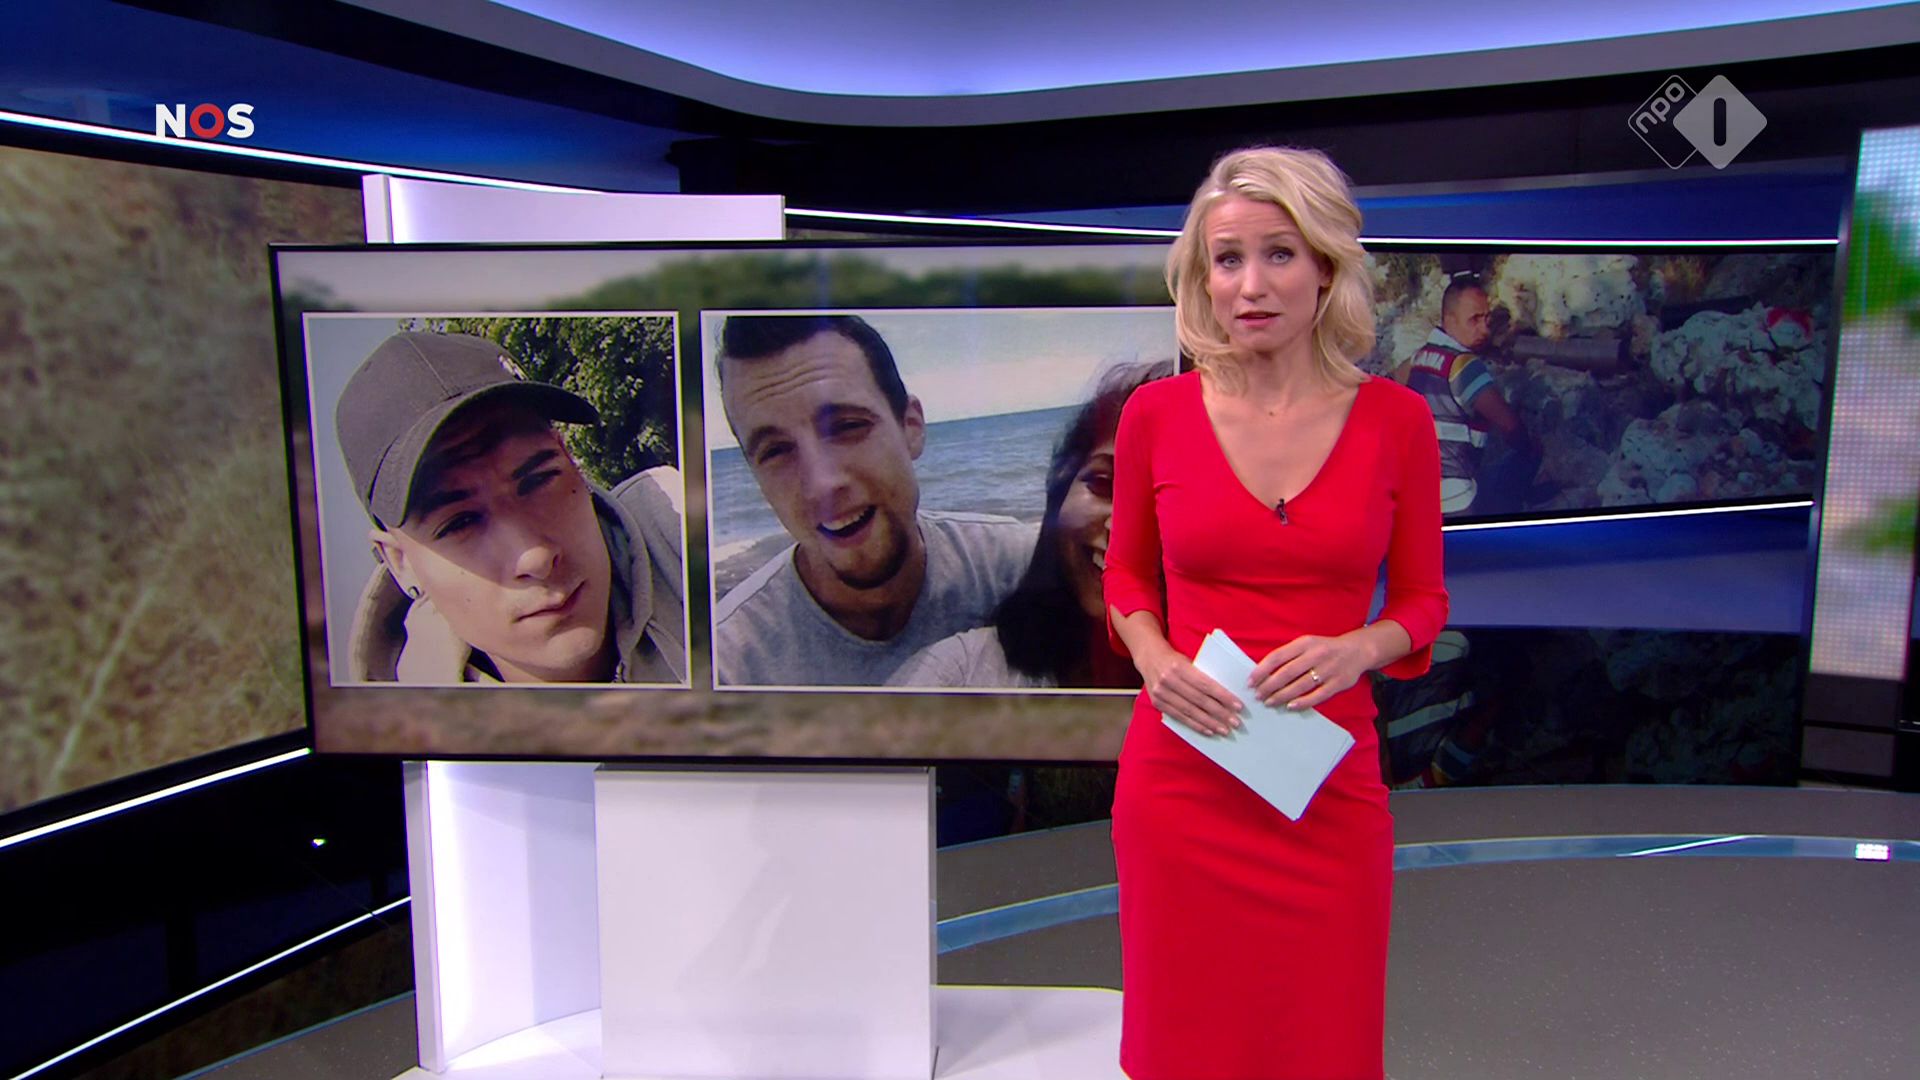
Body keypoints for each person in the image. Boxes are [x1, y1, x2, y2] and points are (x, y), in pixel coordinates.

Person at [1104, 147, 1449, 1079]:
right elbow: (1126, 577)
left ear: (1327, 268)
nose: (1250, 285)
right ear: (1202, 277)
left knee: (1326, 1043)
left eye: (1279, 254)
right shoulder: (1153, 416)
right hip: (1185, 775)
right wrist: (1154, 658)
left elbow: (1423, 601)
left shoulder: (1398, 422)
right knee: (1184, 1047)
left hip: (1325, 782)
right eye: (1227, 259)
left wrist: (1358, 648)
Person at [336, 331, 687, 685]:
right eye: (459, 522)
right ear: (401, 563)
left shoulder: (686, 539)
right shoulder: (404, 720)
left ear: (570, 461)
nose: (535, 557)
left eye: (538, 480)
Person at [711, 314, 1035, 686]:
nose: (821, 485)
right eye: (775, 451)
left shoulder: (1018, 571)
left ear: (910, 426)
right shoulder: (730, 666)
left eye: (847, 426)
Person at [888, 360, 1172, 689]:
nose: (1123, 527)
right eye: (1102, 483)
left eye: (1165, 499)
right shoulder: (961, 673)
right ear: (1059, 491)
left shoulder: (1223, 682)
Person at [1393, 275, 1539, 514]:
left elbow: (1393, 384)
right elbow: (1509, 425)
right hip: (1457, 498)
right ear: (1449, 319)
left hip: (1417, 494)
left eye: (1486, 319)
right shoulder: (1464, 365)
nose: (1484, 329)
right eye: (1474, 320)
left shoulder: (1418, 358)